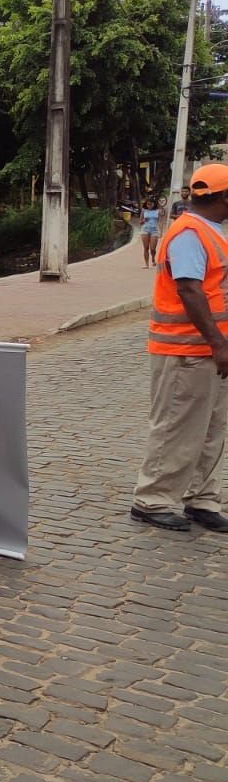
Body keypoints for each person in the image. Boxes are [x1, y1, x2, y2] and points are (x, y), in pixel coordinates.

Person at [131, 163, 228, 534]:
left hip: (208, 352)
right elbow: (189, 289)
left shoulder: (209, 231)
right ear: (223, 196)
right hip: (186, 351)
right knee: (176, 426)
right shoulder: (189, 233)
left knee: (210, 429)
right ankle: (152, 500)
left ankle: (202, 498)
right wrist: (218, 344)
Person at [139, 196, 161, 269]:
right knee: (146, 247)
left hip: (154, 230)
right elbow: (140, 222)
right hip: (145, 230)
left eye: (151, 204)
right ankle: (146, 264)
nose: (149, 206)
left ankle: (153, 258)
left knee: (152, 248)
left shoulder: (158, 211)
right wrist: (144, 221)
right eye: (148, 204)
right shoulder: (144, 210)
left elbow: (160, 222)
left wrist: (161, 231)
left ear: (154, 204)